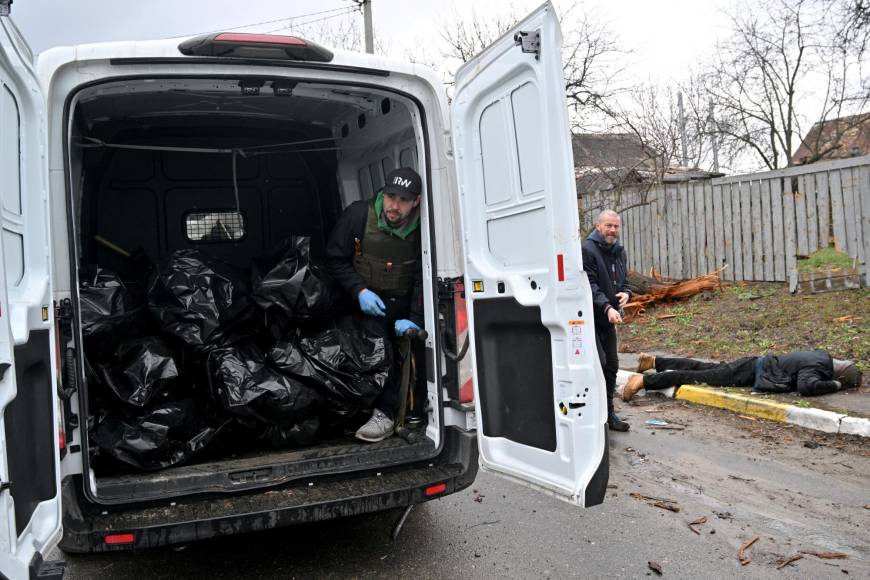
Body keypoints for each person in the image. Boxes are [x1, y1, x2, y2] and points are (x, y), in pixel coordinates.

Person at [326, 167, 425, 442]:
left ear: (416, 201)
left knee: (401, 352)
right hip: (365, 300)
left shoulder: (424, 228)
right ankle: (357, 409)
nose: (394, 206)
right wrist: (359, 291)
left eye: (403, 200)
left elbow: (423, 276)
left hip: (401, 303)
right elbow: (334, 258)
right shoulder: (358, 215)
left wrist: (416, 318)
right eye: (391, 196)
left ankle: (387, 414)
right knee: (371, 348)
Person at [622, 350, 862, 401]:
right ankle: (644, 380)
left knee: (702, 368)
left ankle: (655, 361)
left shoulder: (820, 356)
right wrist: (836, 386)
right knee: (692, 376)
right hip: (752, 370)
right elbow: (807, 386)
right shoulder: (821, 368)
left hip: (754, 365)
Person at [582, 210, 633, 432]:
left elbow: (625, 282)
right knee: (598, 365)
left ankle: (608, 413)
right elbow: (589, 285)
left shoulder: (619, 252)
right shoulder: (587, 250)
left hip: (609, 320)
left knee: (612, 365)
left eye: (616, 226)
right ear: (598, 226)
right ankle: (594, 414)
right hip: (588, 319)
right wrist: (607, 306)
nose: (613, 230)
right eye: (609, 226)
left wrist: (627, 293)